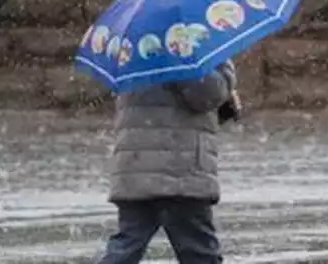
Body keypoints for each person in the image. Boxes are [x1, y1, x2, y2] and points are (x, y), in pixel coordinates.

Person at [96, 61, 237, 264]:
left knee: (125, 248)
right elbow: (207, 95)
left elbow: (167, 108)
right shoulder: (183, 52)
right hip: (180, 171)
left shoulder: (136, 53)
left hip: (135, 169)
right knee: (200, 252)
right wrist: (225, 76)